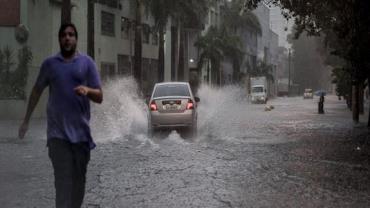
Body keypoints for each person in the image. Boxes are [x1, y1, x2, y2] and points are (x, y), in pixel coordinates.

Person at [18, 23, 103, 208]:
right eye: (64, 35)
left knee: (78, 188)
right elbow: (36, 91)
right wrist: (26, 120)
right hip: (58, 137)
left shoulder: (87, 63)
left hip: (81, 138)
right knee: (63, 185)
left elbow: (100, 96)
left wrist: (87, 90)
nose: (67, 38)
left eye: (71, 34)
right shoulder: (50, 65)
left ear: (76, 39)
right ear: (59, 39)